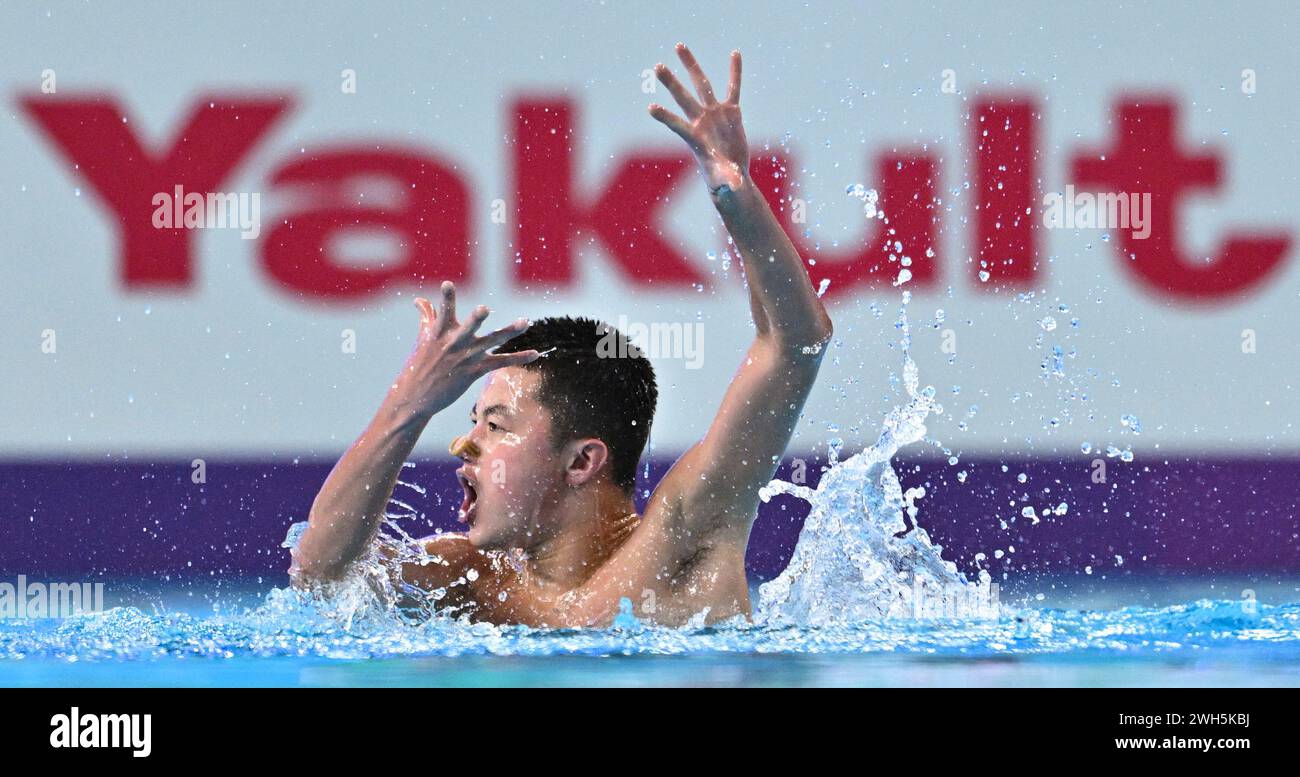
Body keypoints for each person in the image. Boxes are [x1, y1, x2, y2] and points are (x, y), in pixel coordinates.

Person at [292, 44, 833, 627]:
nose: (463, 444)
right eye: (472, 421)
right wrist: (408, 406)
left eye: (495, 425)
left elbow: (794, 345)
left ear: (581, 461)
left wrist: (737, 195)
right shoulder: (472, 581)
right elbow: (320, 578)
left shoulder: (682, 537)